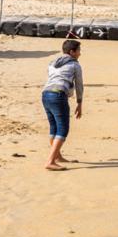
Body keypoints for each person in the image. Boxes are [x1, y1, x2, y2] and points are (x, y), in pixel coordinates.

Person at [41, 39, 85, 171]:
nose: (80, 53)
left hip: (45, 94)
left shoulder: (52, 63)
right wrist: (79, 103)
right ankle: (50, 161)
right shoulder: (75, 65)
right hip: (58, 95)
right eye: (78, 51)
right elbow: (79, 85)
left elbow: (52, 78)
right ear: (72, 52)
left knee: (54, 126)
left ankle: (57, 157)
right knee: (63, 129)